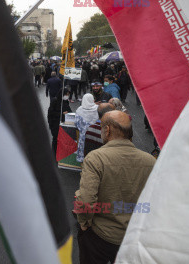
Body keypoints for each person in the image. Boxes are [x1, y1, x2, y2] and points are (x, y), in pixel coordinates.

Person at [75, 111, 155, 264]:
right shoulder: (150, 161)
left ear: (108, 130)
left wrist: (84, 223)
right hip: (133, 238)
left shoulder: (95, 158)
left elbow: (85, 202)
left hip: (100, 237)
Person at [75, 94, 99, 163]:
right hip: (94, 135)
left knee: (84, 151)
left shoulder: (79, 109)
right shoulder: (97, 108)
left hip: (83, 136)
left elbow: (76, 123)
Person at [47, 87, 72, 154]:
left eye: (68, 94)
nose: (67, 96)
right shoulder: (55, 101)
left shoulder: (65, 101)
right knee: (56, 139)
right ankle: (54, 153)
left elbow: (69, 111)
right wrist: (61, 114)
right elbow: (51, 113)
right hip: (55, 124)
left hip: (63, 124)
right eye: (66, 94)